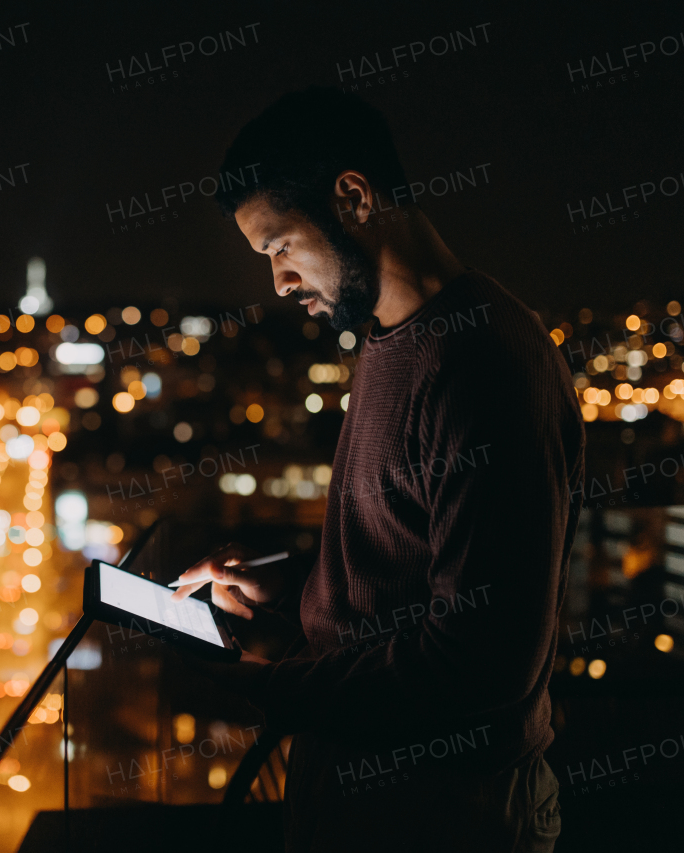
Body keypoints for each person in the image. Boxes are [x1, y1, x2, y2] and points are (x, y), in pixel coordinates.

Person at [170, 86, 585, 852]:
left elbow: (479, 661)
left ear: (353, 197)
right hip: (367, 789)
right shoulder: (385, 342)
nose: (280, 283)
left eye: (279, 246)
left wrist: (271, 688)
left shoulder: (486, 361)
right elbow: (403, 567)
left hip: (449, 813)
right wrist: (297, 587)